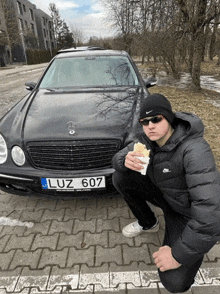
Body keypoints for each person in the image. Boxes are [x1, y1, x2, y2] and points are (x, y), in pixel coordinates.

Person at [112, 93, 220, 293]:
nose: (150, 125)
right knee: (120, 177)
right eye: (144, 121)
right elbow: (119, 156)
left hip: (186, 214)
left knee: (175, 282)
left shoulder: (194, 150)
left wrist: (178, 255)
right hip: (166, 197)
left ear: (169, 118)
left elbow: (211, 215)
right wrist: (124, 160)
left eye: (156, 119)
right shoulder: (147, 140)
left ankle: (193, 251)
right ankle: (149, 223)